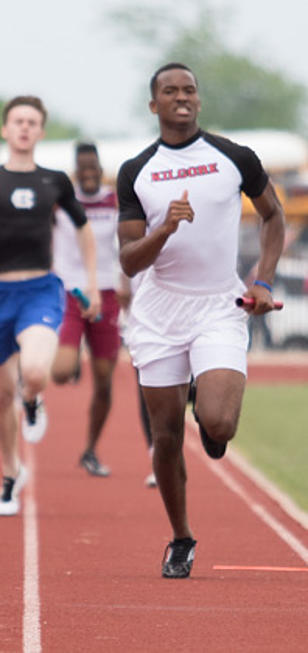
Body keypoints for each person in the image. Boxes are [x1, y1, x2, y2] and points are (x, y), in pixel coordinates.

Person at [117, 63, 286, 579]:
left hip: (219, 305)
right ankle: (181, 537)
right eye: (170, 91)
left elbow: (273, 216)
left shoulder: (234, 158)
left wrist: (263, 281)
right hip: (159, 311)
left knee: (219, 424)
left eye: (189, 89)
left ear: (199, 99)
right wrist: (164, 229)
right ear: (155, 105)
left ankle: (208, 410)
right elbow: (128, 260)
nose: (182, 97)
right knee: (165, 437)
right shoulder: (136, 171)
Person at [0, 96, 100, 517]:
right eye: (18, 121)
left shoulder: (54, 181)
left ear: (41, 131)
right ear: (5, 131)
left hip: (40, 290)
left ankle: (34, 398)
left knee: (33, 370)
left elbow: (84, 230)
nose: (25, 127)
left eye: (32, 121)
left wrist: (90, 283)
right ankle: (11, 474)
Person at [50, 143, 125, 477]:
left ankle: (91, 449)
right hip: (69, 289)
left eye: (94, 167)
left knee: (106, 381)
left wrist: (127, 284)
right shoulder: (61, 201)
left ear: (100, 168)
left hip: (106, 292)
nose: (89, 173)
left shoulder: (115, 200)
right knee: (61, 372)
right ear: (76, 172)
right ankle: (72, 356)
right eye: (83, 168)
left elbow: (127, 241)